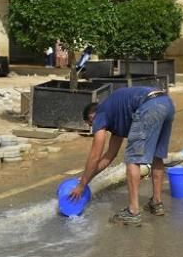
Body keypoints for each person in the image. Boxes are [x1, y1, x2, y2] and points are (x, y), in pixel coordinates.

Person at [69, 86, 175, 226]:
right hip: (166, 103)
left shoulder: (100, 114)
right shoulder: (116, 114)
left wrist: (81, 186)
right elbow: (108, 157)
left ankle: (133, 212)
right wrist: (86, 177)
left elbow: (95, 155)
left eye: (92, 125)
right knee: (157, 156)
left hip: (149, 106)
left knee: (132, 159)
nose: (95, 129)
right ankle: (156, 203)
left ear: (91, 118)